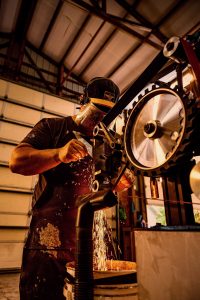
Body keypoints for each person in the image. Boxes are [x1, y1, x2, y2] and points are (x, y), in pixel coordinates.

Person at [9, 77, 133, 300]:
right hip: (48, 243)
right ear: (83, 102)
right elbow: (16, 161)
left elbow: (113, 187)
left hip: (87, 244)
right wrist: (58, 154)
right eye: (97, 111)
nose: (102, 119)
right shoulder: (53, 128)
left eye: (108, 114)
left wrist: (121, 183)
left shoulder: (109, 142)